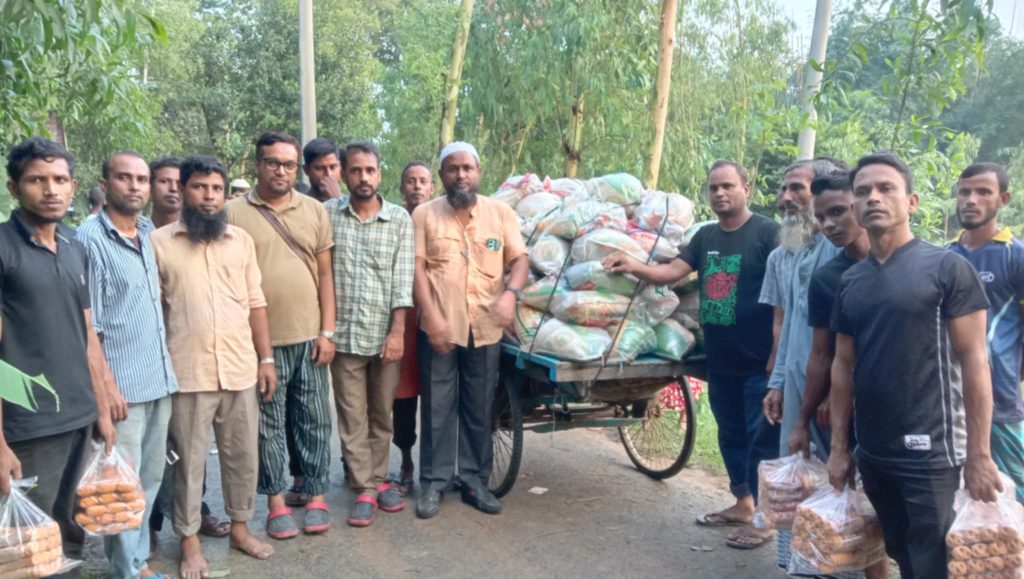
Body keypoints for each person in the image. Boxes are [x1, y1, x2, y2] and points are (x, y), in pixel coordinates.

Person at [827, 152, 1002, 579]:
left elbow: (976, 363)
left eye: (886, 188)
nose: (874, 198)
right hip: (874, 450)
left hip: (933, 451)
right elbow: (843, 366)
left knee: (934, 562)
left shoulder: (947, 268)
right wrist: (838, 448)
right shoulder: (851, 281)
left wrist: (979, 454)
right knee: (902, 553)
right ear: (853, 206)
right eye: (864, 191)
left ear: (912, 202)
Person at [604, 160, 780, 548]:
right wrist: (633, 265)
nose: (720, 193)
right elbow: (673, 273)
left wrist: (778, 356)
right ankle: (743, 503)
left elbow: (786, 294)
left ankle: (765, 520)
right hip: (721, 360)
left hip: (760, 361)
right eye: (713, 188)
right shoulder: (706, 238)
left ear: (745, 189)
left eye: (728, 186)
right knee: (731, 433)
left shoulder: (768, 233)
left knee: (762, 441)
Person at [151, 155, 275, 579]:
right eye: (200, 187)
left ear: (224, 194)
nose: (209, 196)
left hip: (240, 369)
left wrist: (266, 358)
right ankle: (189, 543)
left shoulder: (240, 241)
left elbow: (256, 303)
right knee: (188, 463)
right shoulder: (159, 243)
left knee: (243, 456)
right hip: (187, 374)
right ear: (182, 191)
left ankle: (241, 528)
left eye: (216, 189)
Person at [0, 137, 116, 562]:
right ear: (14, 187)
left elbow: (87, 335)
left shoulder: (74, 247)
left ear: (74, 185)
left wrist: (102, 410)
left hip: (80, 417)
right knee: (27, 541)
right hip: (27, 427)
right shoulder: (3, 249)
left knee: (71, 530)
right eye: (36, 180)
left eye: (59, 179)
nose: (50, 189)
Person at [226, 132, 335, 538]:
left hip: (309, 337)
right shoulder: (233, 212)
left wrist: (327, 331)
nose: (281, 170)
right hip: (260, 344)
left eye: (289, 164)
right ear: (257, 165)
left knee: (315, 418)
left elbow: (325, 273)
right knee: (268, 423)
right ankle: (274, 501)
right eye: (273, 162)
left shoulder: (313, 211)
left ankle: (318, 495)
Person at [76, 151, 179, 579]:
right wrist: (107, 390)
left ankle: (134, 563)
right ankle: (125, 571)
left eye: (141, 179)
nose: (134, 186)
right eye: (124, 178)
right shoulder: (89, 239)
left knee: (149, 482)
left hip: (158, 378)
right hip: (122, 389)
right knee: (121, 488)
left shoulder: (147, 231)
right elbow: (89, 327)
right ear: (106, 182)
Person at [413, 142, 528, 518]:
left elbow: (519, 259)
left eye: (467, 168)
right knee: (437, 406)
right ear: (442, 174)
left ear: (479, 172)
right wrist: (430, 317)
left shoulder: (501, 214)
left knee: (480, 408)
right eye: (452, 168)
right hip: (440, 326)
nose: (460, 175)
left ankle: (475, 481)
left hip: (486, 326)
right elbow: (417, 270)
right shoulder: (425, 215)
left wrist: (511, 294)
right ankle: (433, 482)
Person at [788, 170, 887, 579]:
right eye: (822, 218)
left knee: (910, 522)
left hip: (907, 413)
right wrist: (803, 418)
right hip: (851, 412)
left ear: (860, 206)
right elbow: (822, 356)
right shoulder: (829, 279)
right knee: (859, 509)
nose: (829, 225)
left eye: (838, 213)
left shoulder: (913, 265)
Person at [756, 159, 843, 556]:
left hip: (832, 390)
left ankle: (835, 562)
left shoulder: (836, 248)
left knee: (837, 483)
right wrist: (777, 384)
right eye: (784, 189)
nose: (786, 198)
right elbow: (788, 323)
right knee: (797, 477)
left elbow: (844, 334)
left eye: (797, 189)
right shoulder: (787, 253)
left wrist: (831, 393)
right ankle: (798, 563)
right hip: (796, 384)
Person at [325, 142, 414, 526]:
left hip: (384, 337)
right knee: (351, 416)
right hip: (343, 337)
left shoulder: (398, 220)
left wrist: (398, 333)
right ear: (344, 174)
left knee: (382, 414)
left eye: (370, 170)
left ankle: (379, 480)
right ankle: (364, 486)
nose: (364, 177)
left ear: (380, 173)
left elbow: (402, 281)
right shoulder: (327, 214)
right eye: (356, 170)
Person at [948, 162, 1024, 504]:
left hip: (1001, 401)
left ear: (1003, 199)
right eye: (964, 192)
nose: (971, 200)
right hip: (949, 402)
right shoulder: (944, 257)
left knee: (1013, 490)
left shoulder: (1014, 256)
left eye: (982, 192)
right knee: (962, 500)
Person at [393, 160, 434, 494]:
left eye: (423, 181)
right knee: (402, 397)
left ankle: (438, 467)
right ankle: (406, 462)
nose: (417, 186)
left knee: (440, 396)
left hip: (437, 317)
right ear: (401, 187)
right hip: (402, 319)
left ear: (432, 188)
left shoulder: (443, 219)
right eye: (411, 181)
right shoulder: (394, 222)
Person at [302, 138, 344, 203]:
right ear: (306, 170)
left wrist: (338, 199)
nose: (329, 174)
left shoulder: (355, 204)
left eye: (333, 167)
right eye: (320, 168)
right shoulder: (300, 205)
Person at [150, 156, 182, 229]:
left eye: (179, 183)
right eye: (164, 181)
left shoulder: (199, 237)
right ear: (150, 187)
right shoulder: (131, 233)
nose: (173, 188)